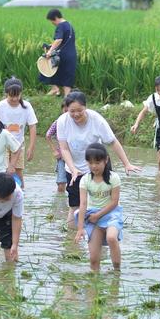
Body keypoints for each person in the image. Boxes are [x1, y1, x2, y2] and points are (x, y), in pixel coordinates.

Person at [57, 91, 140, 227]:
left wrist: (127, 163)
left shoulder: (96, 120)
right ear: (67, 109)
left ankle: (105, 235)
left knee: (104, 203)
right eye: (72, 111)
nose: (76, 114)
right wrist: (73, 169)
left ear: (86, 107)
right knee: (75, 206)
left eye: (79, 110)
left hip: (99, 167)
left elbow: (112, 142)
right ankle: (71, 243)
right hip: (74, 170)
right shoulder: (62, 121)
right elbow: (64, 148)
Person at [74, 144, 123, 271]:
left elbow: (114, 202)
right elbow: (83, 204)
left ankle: (117, 272)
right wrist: (80, 229)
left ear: (105, 160)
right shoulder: (85, 180)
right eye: (90, 163)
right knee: (94, 260)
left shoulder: (114, 178)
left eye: (97, 162)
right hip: (92, 216)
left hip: (111, 213)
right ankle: (94, 286)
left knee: (111, 237)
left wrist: (98, 215)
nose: (93, 166)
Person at [0, 77, 37, 188]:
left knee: (17, 171)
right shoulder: (0, 106)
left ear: (21, 94)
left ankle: (21, 193)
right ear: (6, 94)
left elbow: (32, 127)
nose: (14, 99)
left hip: (18, 145)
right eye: (11, 96)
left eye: (17, 96)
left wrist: (31, 148)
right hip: (2, 145)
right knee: (4, 171)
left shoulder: (27, 106)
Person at [42, 9, 76, 97]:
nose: (52, 23)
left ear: (56, 17)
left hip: (62, 55)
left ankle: (54, 89)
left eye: (52, 21)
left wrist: (49, 51)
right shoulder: (69, 25)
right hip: (72, 55)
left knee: (46, 68)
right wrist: (51, 45)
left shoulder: (60, 26)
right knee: (67, 74)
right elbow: (65, 41)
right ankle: (67, 97)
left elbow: (59, 40)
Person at [45, 102, 69, 193]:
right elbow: (48, 135)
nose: (67, 113)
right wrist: (54, 150)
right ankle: (60, 204)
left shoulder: (78, 122)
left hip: (76, 157)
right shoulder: (59, 122)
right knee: (61, 183)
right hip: (62, 157)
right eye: (65, 110)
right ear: (62, 110)